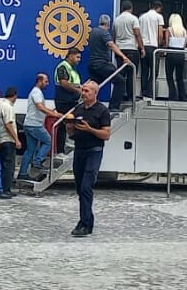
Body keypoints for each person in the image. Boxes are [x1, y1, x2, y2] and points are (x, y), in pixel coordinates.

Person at [68, 81, 113, 237]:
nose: (84, 93)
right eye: (83, 90)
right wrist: (70, 126)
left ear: (95, 93)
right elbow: (72, 134)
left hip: (94, 151)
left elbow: (106, 134)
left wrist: (90, 129)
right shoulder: (78, 108)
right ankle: (86, 220)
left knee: (87, 187)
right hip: (79, 150)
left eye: (87, 91)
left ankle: (85, 224)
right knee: (80, 188)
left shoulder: (102, 111)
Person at [87, 15, 129, 110]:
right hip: (102, 64)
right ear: (108, 24)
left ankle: (89, 106)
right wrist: (123, 56)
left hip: (92, 64)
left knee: (95, 86)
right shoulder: (104, 33)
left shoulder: (93, 32)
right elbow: (111, 45)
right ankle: (114, 107)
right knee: (120, 81)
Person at [21, 74, 54, 178]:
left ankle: (23, 173)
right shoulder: (37, 92)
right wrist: (55, 114)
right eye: (46, 81)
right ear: (40, 81)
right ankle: (38, 161)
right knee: (48, 141)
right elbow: (40, 107)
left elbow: (42, 108)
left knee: (30, 150)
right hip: (34, 124)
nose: (47, 84)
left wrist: (50, 112)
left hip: (29, 124)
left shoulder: (36, 92)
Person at [52, 48, 83, 156]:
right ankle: (61, 150)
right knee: (63, 124)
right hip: (64, 100)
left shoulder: (72, 69)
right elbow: (64, 83)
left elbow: (73, 83)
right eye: (77, 57)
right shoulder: (63, 67)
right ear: (70, 56)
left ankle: (69, 143)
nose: (79, 60)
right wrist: (79, 91)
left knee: (73, 121)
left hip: (72, 100)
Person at [113, 2, 141, 104]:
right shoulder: (134, 19)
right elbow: (137, 34)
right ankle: (131, 96)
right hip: (131, 49)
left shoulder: (116, 20)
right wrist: (142, 48)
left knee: (121, 75)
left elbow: (114, 36)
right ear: (131, 8)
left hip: (120, 50)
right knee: (131, 74)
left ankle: (119, 98)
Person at [138, 0, 164, 99]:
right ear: (159, 8)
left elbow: (138, 33)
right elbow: (160, 34)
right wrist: (160, 45)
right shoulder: (159, 17)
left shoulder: (142, 17)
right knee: (154, 71)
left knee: (144, 71)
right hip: (153, 47)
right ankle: (149, 92)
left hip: (143, 46)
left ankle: (143, 92)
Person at [164, 13, 187, 101]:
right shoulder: (183, 31)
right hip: (180, 54)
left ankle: (173, 96)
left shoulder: (169, 30)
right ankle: (183, 96)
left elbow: (167, 43)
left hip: (171, 53)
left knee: (169, 76)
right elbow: (184, 44)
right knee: (180, 77)